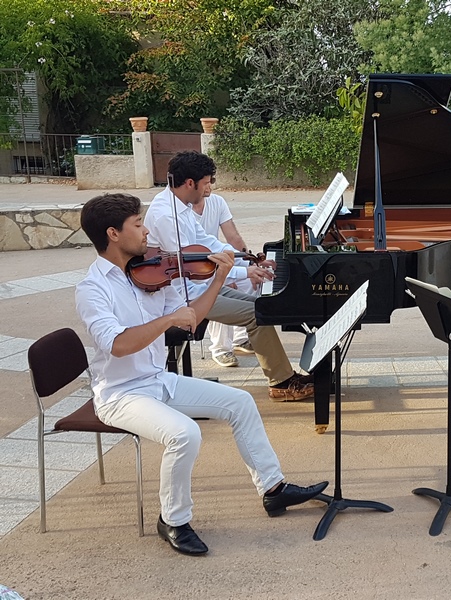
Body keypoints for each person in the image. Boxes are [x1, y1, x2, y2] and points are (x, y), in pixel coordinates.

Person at [75, 193, 328, 555]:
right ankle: (173, 520)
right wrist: (166, 320)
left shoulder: (148, 275)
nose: (147, 231)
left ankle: (273, 490)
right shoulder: (92, 289)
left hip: (158, 381)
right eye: (138, 225)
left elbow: (191, 316)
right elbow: (117, 344)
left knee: (240, 402)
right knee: (185, 434)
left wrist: (220, 276)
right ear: (113, 234)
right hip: (120, 395)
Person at [144, 150, 313, 401]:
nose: (208, 188)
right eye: (206, 182)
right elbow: (196, 263)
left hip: (202, 285)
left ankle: (285, 375)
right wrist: (245, 271)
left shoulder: (178, 203)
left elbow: (206, 241)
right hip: (184, 297)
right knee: (259, 315)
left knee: (262, 304)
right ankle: (281, 382)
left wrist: (248, 258)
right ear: (190, 183)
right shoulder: (167, 216)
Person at [191, 182, 254, 368]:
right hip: (198, 271)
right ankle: (221, 348)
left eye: (211, 181)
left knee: (253, 280)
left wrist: (250, 262)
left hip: (219, 262)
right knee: (221, 288)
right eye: (205, 182)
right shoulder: (182, 211)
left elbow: (232, 237)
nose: (209, 186)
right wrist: (229, 276)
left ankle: (241, 338)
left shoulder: (217, 202)